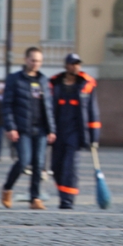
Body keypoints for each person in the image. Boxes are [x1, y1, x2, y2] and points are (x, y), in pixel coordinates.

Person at [0, 47, 56, 211]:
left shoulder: (43, 80)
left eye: (39, 61)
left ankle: (35, 198)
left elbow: (48, 107)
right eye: (33, 60)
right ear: (26, 60)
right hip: (22, 128)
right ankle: (7, 188)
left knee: (39, 164)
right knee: (24, 161)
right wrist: (10, 127)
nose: (36, 64)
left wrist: (52, 129)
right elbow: (7, 105)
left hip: (41, 129)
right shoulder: (15, 79)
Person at [49, 53, 100, 210]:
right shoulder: (53, 84)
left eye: (78, 63)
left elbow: (93, 111)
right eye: (73, 64)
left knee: (69, 167)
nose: (76, 66)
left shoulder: (87, 85)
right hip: (57, 132)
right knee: (56, 167)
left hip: (76, 134)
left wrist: (94, 137)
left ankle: (67, 200)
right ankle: (64, 193)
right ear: (66, 66)